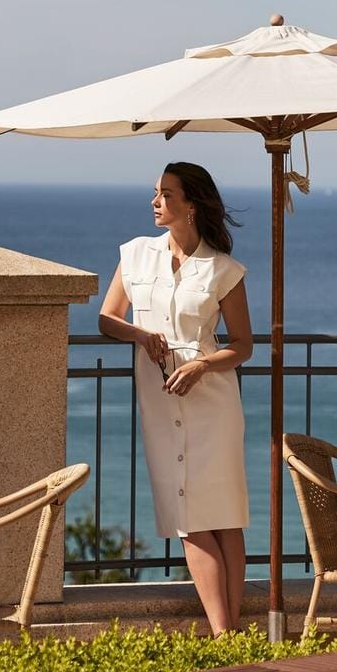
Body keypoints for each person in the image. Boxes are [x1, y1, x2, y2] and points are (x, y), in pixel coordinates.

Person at [98, 162, 253, 634]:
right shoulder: (135, 254)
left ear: (191, 204)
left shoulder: (223, 269)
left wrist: (203, 364)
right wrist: (141, 337)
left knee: (224, 517)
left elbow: (242, 345)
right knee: (188, 515)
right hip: (161, 400)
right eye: (155, 192)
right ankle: (228, 635)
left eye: (166, 194)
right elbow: (107, 318)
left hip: (212, 401)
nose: (155, 201)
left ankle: (226, 637)